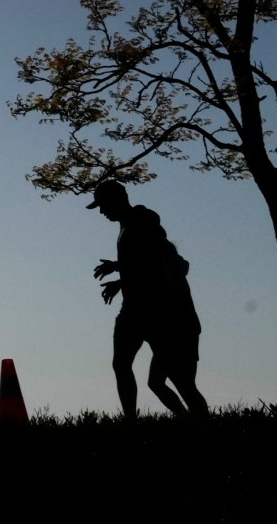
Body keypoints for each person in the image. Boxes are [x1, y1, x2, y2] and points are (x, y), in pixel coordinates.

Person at [88, 179, 208, 418]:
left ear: (118, 200)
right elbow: (141, 268)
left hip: (157, 312)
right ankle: (131, 421)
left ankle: (200, 421)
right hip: (132, 310)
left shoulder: (142, 222)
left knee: (177, 379)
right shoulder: (125, 226)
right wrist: (120, 281)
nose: (101, 211)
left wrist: (118, 268)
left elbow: (151, 264)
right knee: (121, 365)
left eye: (103, 205)